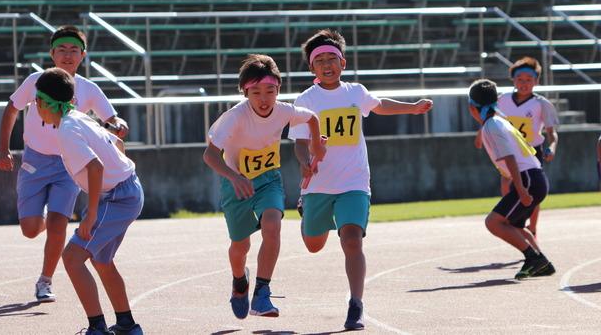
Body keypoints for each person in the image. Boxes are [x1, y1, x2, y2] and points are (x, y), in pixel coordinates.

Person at [287, 29, 433, 330]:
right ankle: (306, 212)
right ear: (311, 68)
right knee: (314, 244)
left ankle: (355, 304)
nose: (327, 65)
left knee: (351, 239)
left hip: (354, 181)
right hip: (318, 184)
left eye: (332, 59)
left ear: (343, 62)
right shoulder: (306, 100)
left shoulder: (355, 92)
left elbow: (380, 105)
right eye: (320, 61)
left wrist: (413, 108)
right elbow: (300, 143)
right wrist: (305, 163)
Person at [0, 25, 128, 302]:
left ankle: (45, 280)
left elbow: (111, 118)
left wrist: (118, 124)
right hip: (34, 161)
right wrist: (3, 150)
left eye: (74, 50)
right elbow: (12, 108)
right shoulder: (36, 80)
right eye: (62, 50)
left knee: (59, 225)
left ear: (83, 55)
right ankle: (44, 218)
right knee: (31, 229)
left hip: (69, 165)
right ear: (52, 53)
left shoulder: (89, 89)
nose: (68, 55)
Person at [203, 54, 327, 320]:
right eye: (255, 92)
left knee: (273, 225)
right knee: (240, 246)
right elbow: (210, 156)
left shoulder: (283, 110)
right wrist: (233, 177)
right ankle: (239, 282)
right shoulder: (234, 117)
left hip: (269, 178)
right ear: (245, 91)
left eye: (270, 91)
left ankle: (262, 292)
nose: (263, 98)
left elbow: (313, 118)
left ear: (278, 90)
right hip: (236, 184)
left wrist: (316, 145)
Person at [35, 67, 143, 335]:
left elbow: (95, 168)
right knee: (101, 261)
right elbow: (115, 144)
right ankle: (128, 326)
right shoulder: (79, 118)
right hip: (125, 191)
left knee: (72, 258)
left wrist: (91, 214)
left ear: (40, 103)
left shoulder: (68, 130)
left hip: (117, 197)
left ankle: (97, 329)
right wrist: (122, 166)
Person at [468, 79, 555, 280]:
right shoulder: (498, 121)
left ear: (472, 108)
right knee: (515, 225)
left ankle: (534, 259)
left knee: (493, 222)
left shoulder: (492, 125)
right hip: (533, 177)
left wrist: (521, 190)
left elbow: (510, 158)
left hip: (528, 179)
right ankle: (542, 263)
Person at [495, 57, 558, 237]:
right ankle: (513, 221)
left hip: (531, 152)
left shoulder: (541, 104)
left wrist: (552, 147)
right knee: (507, 187)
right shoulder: (502, 100)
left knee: (534, 191)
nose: (524, 84)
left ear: (536, 81)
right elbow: (491, 120)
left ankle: (532, 227)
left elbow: (551, 132)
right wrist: (480, 136)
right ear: (513, 80)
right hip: (508, 152)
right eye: (520, 79)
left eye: (528, 80)